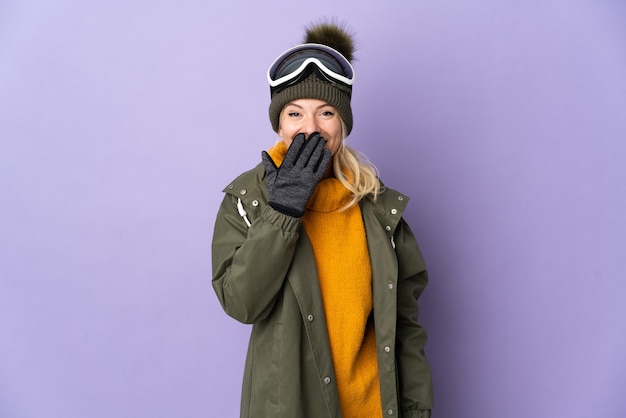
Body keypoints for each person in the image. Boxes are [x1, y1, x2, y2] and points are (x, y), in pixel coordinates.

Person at [212, 21, 434, 418]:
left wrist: (416, 410)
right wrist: (283, 211)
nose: (310, 128)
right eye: (295, 113)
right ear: (279, 124)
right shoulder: (248, 200)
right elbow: (241, 303)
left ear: (343, 124)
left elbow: (405, 328)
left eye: (326, 112)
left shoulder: (379, 208)